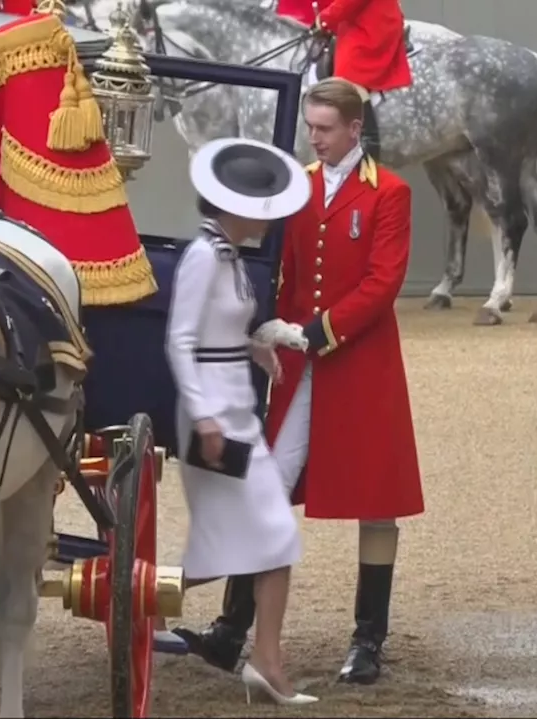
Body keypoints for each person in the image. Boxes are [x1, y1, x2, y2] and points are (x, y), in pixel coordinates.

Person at [176, 77, 423, 686]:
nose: (313, 139)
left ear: (354, 130)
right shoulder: (300, 186)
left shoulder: (389, 192)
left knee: (375, 504)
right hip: (296, 366)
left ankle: (368, 640)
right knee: (267, 485)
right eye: (310, 128)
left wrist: (316, 330)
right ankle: (233, 628)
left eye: (324, 129)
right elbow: (280, 264)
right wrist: (259, 323)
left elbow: (383, 282)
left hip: (357, 363)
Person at [166, 136, 318, 706]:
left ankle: (266, 661)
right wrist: (204, 419)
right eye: (260, 209)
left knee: (261, 540)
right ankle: (132, 598)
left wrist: (254, 347)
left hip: (234, 406)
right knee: (268, 538)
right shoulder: (205, 257)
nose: (268, 220)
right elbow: (181, 342)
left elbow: (217, 332)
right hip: (213, 414)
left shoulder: (229, 258)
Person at [275, 0, 412, 161]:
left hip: (373, 21)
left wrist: (325, 19)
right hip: (353, 18)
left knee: (348, 78)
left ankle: (368, 147)